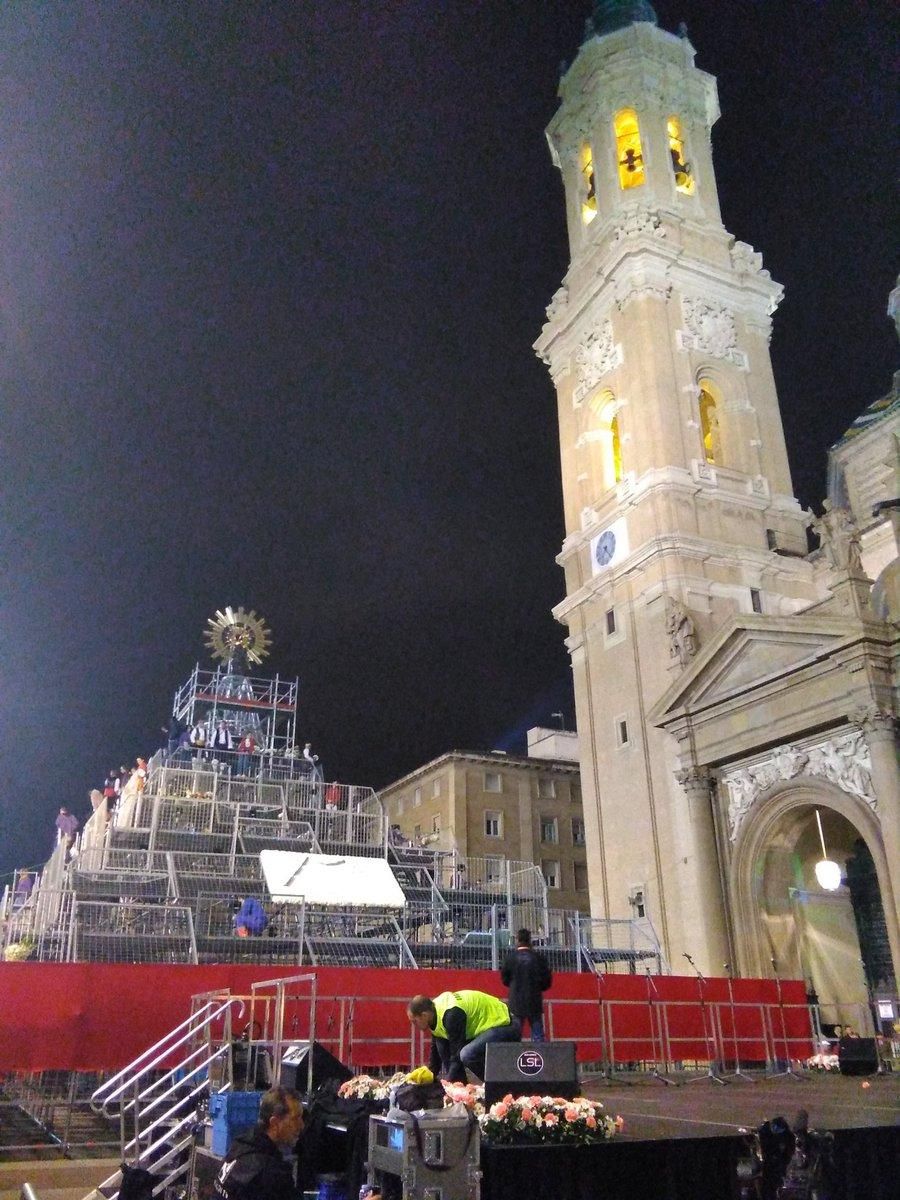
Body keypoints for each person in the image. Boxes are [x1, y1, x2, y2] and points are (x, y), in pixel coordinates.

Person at [407, 989, 520, 1083]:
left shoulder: (451, 1015)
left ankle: (497, 1085)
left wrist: (449, 1084)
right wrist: (427, 1076)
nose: (414, 1025)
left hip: (505, 1023)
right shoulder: (434, 1012)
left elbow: (456, 1056)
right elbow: (436, 1057)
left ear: (424, 1015)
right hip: (488, 1028)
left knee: (467, 1054)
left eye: (414, 1021)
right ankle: (461, 1094)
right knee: (442, 1046)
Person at [213, 1085, 304, 1200]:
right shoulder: (272, 1173)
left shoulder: (240, 1145)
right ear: (275, 1123)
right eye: (295, 1118)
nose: (301, 1125)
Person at [501, 927, 553, 1043]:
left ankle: (515, 1059)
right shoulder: (539, 959)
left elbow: (504, 980)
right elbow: (547, 981)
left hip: (516, 1001)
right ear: (530, 941)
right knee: (538, 1035)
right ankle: (540, 1058)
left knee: (514, 1034)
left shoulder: (510, 959)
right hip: (534, 999)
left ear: (517, 940)